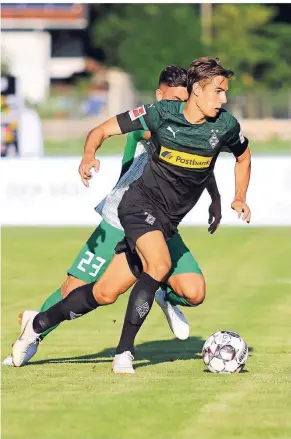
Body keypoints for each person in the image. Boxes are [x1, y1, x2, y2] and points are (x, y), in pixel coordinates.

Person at [12, 58, 251, 374]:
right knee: (159, 265)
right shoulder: (158, 115)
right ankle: (124, 353)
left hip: (166, 222)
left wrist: (236, 198)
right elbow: (102, 129)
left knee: (105, 292)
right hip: (136, 206)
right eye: (218, 91)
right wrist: (88, 156)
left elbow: (242, 157)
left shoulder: (225, 126)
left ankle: (37, 323)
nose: (223, 99)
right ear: (196, 90)